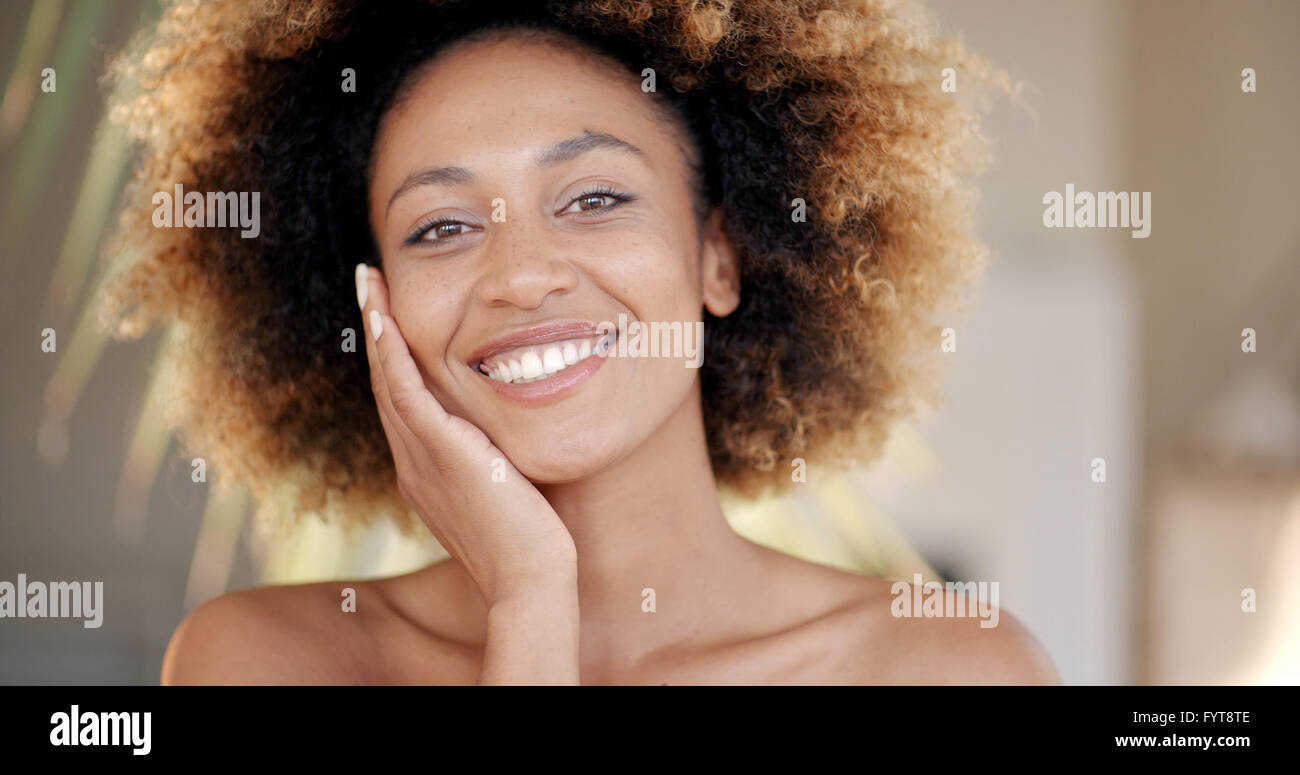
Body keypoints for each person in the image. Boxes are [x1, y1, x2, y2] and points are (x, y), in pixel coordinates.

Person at [99, 0, 1058, 684]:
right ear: (373, 305)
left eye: (595, 198)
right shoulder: (268, 660)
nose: (522, 273)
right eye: (441, 226)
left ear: (719, 257)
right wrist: (529, 607)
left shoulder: (947, 667)